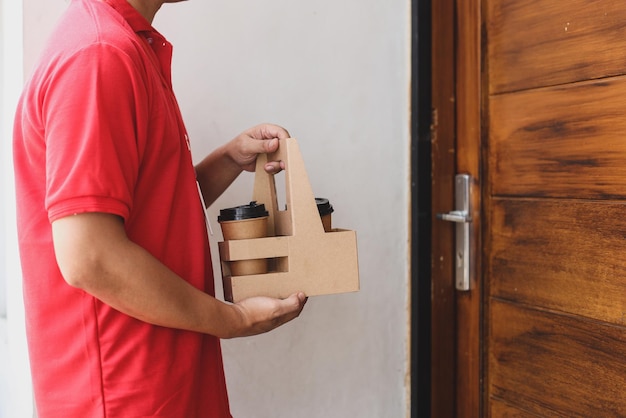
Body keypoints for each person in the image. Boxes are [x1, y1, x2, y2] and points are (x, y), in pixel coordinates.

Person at [12, 0, 307, 416]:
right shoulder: (99, 54)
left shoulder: (120, 43)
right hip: (125, 390)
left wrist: (226, 161)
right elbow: (89, 257)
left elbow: (150, 214)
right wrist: (233, 319)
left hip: (154, 379)